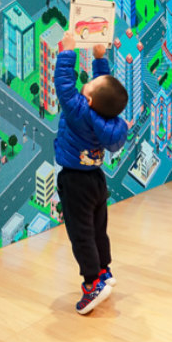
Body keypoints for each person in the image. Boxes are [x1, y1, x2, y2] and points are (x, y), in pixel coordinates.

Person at [54, 30, 128, 314]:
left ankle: (92, 283)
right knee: (98, 229)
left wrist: (67, 53)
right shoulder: (106, 119)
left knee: (81, 234)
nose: (86, 83)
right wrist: (99, 59)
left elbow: (64, 86)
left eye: (88, 85)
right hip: (97, 180)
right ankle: (104, 270)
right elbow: (104, 90)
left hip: (75, 182)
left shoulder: (79, 111)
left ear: (87, 100)